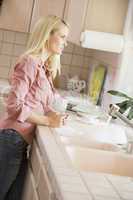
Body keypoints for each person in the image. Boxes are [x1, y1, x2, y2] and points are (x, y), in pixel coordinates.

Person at [0, 15, 69, 200]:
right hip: (11, 139)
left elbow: (41, 104)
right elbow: (13, 105)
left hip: (20, 143)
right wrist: (47, 120)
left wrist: (55, 115)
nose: (65, 43)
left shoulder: (43, 67)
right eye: (62, 37)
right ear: (48, 35)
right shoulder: (29, 62)